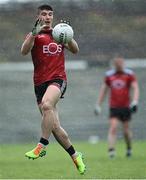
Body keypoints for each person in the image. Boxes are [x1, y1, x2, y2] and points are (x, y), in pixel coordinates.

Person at [21, 4, 86, 174]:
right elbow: (24, 51)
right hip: (39, 84)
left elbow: (76, 50)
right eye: (44, 14)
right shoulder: (35, 34)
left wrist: (68, 35)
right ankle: (75, 155)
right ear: (38, 16)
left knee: (47, 105)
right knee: (55, 127)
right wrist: (33, 34)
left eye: (50, 14)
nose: (48, 17)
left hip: (58, 80)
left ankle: (41, 145)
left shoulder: (60, 33)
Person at [95, 56, 139, 158]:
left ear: (123, 63)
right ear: (114, 64)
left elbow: (135, 87)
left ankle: (129, 148)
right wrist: (98, 105)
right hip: (114, 107)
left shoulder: (129, 74)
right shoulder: (109, 75)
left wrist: (135, 101)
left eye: (121, 63)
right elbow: (104, 90)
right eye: (117, 63)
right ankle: (111, 151)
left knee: (126, 131)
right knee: (113, 127)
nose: (119, 65)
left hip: (126, 106)